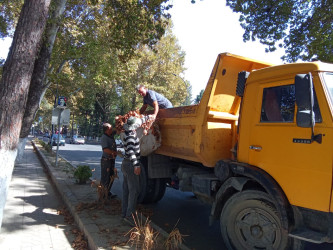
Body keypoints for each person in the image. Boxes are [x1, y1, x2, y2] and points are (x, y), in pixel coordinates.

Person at [119, 115, 150, 225]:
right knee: (134, 190)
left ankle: (124, 214)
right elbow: (131, 152)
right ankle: (129, 216)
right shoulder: (131, 136)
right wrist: (136, 165)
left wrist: (149, 117)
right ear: (134, 127)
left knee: (126, 190)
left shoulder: (129, 133)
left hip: (126, 164)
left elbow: (141, 120)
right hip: (131, 165)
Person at [100, 123, 118, 199]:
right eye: (111, 128)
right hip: (106, 160)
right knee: (105, 178)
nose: (112, 129)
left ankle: (107, 192)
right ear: (107, 129)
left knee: (111, 176)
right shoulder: (104, 137)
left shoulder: (110, 135)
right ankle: (103, 195)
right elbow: (105, 149)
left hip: (111, 160)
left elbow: (116, 130)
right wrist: (114, 152)